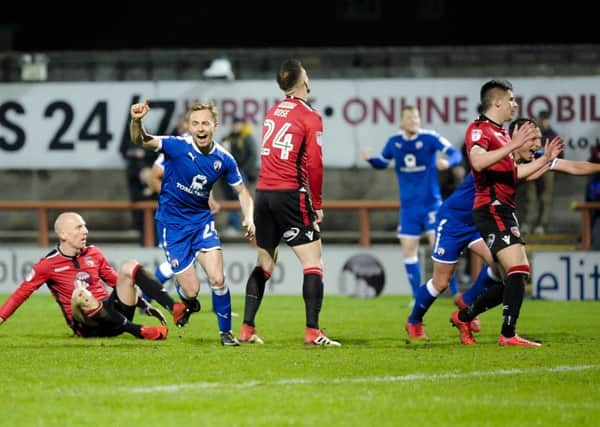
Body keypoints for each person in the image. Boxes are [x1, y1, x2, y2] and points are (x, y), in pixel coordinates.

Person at [407, 117, 600, 341]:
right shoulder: (499, 154)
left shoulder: (534, 157)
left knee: (507, 272)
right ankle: (415, 320)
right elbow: (515, 172)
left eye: (539, 137)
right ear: (514, 137)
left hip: (483, 221)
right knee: (441, 282)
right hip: (454, 220)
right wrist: (544, 162)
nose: (537, 143)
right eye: (532, 137)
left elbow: (574, 166)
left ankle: (467, 305)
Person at [130, 100, 255, 346]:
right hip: (172, 226)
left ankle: (226, 333)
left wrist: (248, 216)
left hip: (201, 223)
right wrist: (136, 121)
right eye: (195, 123)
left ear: (214, 126)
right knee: (192, 291)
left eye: (205, 123)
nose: (200, 128)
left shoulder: (224, 159)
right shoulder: (177, 146)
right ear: (189, 125)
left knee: (218, 279)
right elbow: (141, 140)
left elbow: (242, 191)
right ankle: (186, 301)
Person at [450, 80, 563, 347]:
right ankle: (508, 334)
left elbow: (515, 174)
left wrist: (544, 160)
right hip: (490, 208)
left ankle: (464, 316)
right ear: (497, 102)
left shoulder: (500, 134)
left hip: (504, 209)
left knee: (514, 277)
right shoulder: (479, 130)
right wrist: (513, 146)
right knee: (519, 269)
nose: (515, 104)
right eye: (511, 99)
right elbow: (477, 162)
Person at [238, 58, 340, 346]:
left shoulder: (273, 111)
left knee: (265, 263)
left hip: (264, 194)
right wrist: (316, 202)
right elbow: (315, 165)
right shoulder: (310, 115)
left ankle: (246, 329)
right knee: (313, 263)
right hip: (289, 195)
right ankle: (312, 331)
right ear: (303, 80)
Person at [0, 212, 185, 340]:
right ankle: (138, 331)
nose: (85, 231)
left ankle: (172, 305)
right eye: (79, 227)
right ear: (63, 234)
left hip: (113, 317)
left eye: (85, 227)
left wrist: (143, 304)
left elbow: (116, 282)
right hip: (87, 325)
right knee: (80, 294)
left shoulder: (93, 253)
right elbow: (20, 294)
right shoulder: (47, 264)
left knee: (130, 266)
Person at [362, 105, 463, 302]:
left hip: (431, 204)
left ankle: (456, 292)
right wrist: (371, 160)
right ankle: (417, 297)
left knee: (441, 248)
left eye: (416, 117)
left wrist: (448, 163)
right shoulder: (394, 142)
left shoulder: (430, 138)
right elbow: (383, 162)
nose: (414, 121)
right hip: (409, 208)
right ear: (401, 121)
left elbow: (455, 154)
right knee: (408, 249)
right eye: (409, 118)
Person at [521, 110, 560, 234]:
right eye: (541, 118)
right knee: (530, 196)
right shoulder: (534, 133)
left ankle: (542, 224)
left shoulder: (553, 134)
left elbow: (559, 152)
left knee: (545, 197)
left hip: (548, 168)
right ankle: (527, 223)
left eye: (545, 119)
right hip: (532, 166)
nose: (543, 121)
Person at [119, 125, 159, 246]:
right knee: (146, 236)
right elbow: (143, 174)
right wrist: (152, 184)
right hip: (141, 203)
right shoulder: (133, 158)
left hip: (159, 206)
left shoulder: (156, 153)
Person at [220, 116, 258, 237]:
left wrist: (242, 171)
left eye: (239, 124)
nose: (236, 127)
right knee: (232, 199)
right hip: (230, 173)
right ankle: (233, 226)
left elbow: (252, 156)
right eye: (235, 124)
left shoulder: (247, 137)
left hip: (243, 174)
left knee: (240, 199)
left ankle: (241, 226)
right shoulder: (229, 138)